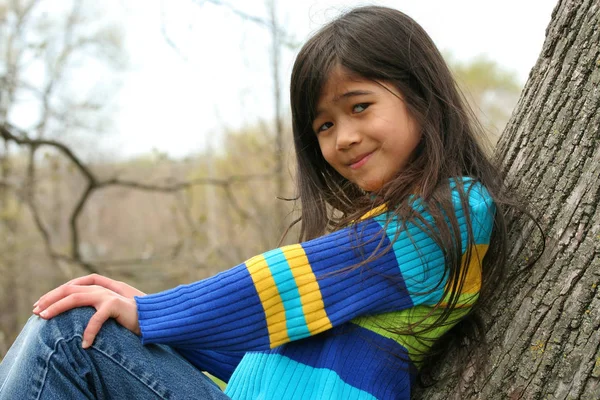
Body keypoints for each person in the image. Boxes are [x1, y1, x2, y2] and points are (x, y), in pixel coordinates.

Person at [0, 5, 508, 399]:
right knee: (83, 323)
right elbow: (271, 362)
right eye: (324, 125)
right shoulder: (385, 230)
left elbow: (281, 282)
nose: (343, 138)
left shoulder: (457, 212)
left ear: (421, 96)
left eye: (360, 107)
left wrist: (152, 312)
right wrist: (150, 324)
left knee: (68, 335)